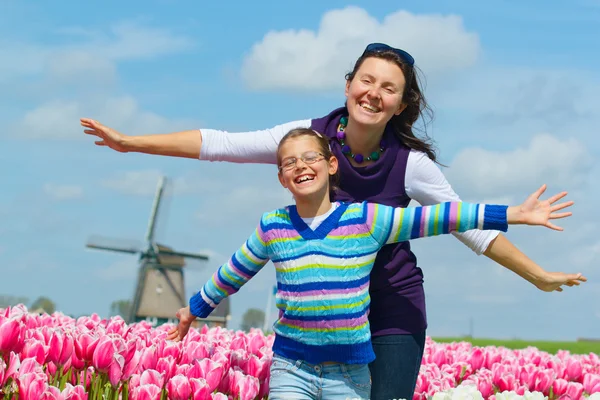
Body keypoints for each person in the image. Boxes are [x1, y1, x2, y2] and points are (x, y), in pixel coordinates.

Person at [81, 43, 586, 399]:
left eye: (389, 88)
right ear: (349, 85)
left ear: (402, 103)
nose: (374, 93)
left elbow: (465, 223)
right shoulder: (305, 141)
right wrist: (131, 142)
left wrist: (536, 273)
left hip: (389, 306)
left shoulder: (411, 164)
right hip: (317, 317)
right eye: (366, 80)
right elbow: (221, 144)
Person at [165, 128, 573, 400]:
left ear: (331, 165)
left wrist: (514, 213)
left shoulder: (367, 219)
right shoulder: (273, 227)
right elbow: (234, 272)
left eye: (311, 157)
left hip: (351, 375)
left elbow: (441, 216)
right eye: (289, 163)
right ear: (281, 178)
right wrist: (194, 309)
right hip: (292, 367)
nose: (301, 166)